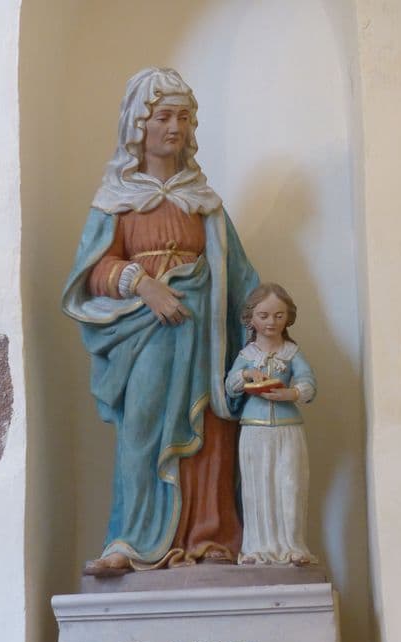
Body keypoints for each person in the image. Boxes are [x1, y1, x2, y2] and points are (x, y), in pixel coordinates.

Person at [62, 67, 258, 574]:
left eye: (184, 118)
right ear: (139, 124)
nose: (175, 127)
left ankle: (209, 540)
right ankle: (131, 539)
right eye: (165, 116)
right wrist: (144, 285)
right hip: (147, 333)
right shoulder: (116, 199)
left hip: (206, 336)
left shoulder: (204, 202)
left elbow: (239, 275)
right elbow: (91, 271)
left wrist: (266, 330)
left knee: (209, 431)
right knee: (142, 429)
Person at [225, 283, 318, 566]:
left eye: (279, 315)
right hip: (254, 429)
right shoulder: (247, 355)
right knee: (257, 487)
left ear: (288, 317)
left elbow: (309, 383)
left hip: (288, 429)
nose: (271, 322)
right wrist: (246, 376)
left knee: (290, 484)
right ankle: (257, 548)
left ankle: (293, 545)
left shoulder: (291, 352)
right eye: (263, 315)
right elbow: (230, 385)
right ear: (251, 318)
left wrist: (292, 393)